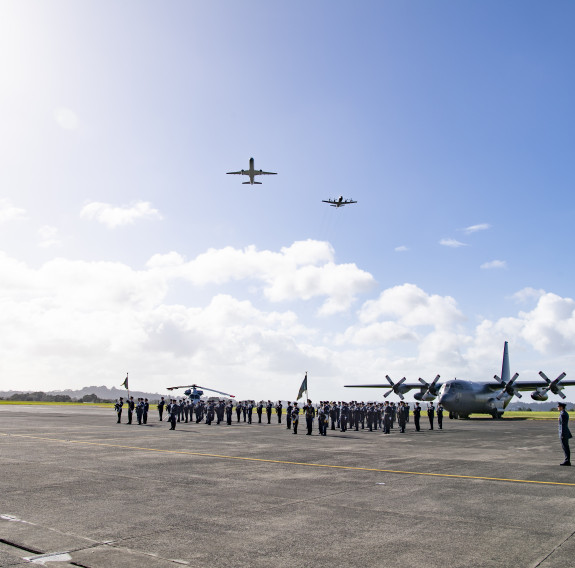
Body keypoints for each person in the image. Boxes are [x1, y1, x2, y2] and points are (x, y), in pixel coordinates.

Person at [558, 402, 572, 466]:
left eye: (558, 406)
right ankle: (567, 460)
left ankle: (567, 461)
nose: (557, 407)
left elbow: (563, 425)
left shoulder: (563, 414)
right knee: (565, 447)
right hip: (564, 432)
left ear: (561, 407)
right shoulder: (563, 413)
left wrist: (562, 434)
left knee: (565, 447)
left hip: (564, 433)